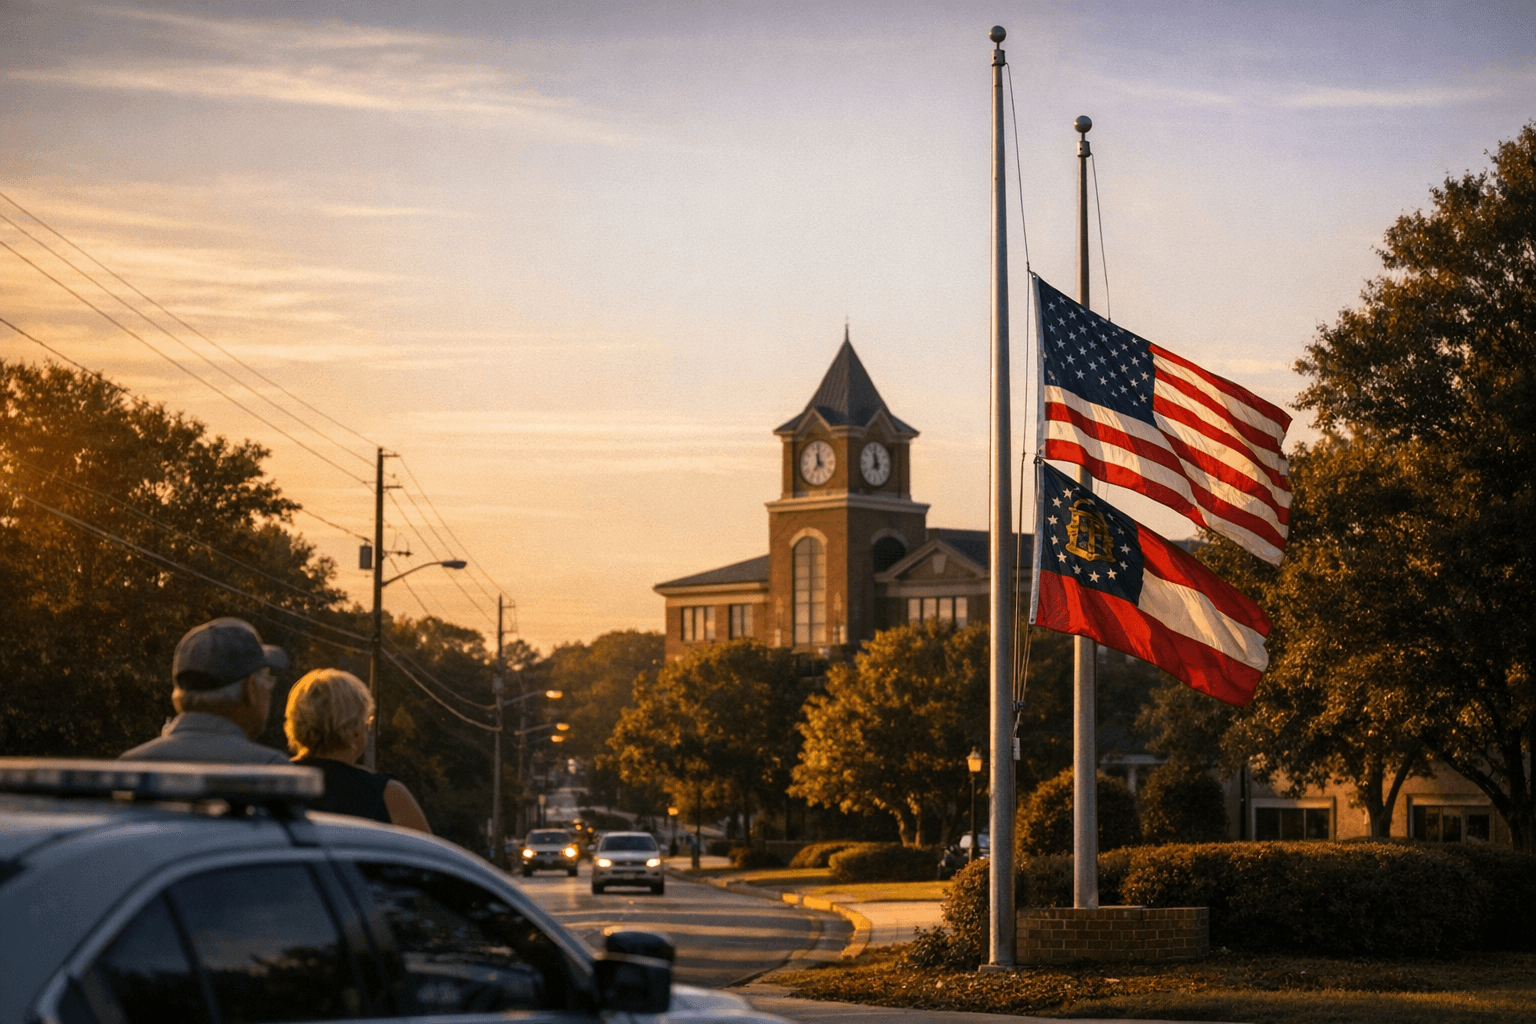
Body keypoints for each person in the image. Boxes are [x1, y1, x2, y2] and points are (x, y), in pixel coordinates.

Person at [122, 617, 289, 764]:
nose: (269, 691)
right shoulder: (273, 770)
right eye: (267, 680)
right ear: (251, 689)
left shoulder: (129, 764)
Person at [284, 668, 431, 833]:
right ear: (355, 729)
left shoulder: (272, 784)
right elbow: (432, 857)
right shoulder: (388, 795)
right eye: (365, 721)